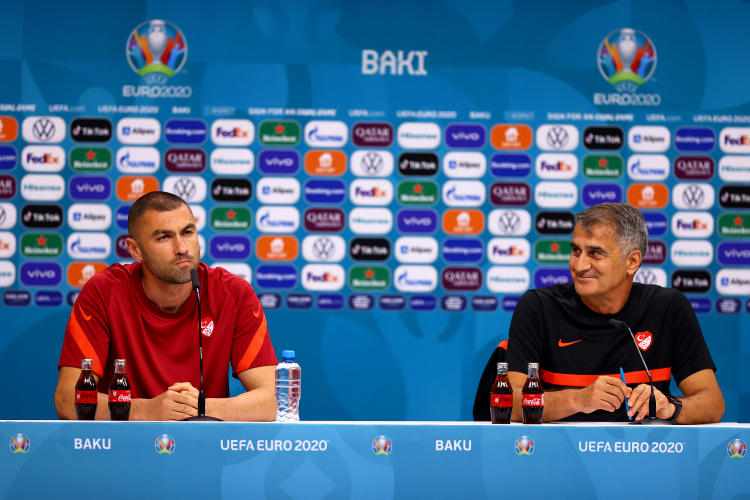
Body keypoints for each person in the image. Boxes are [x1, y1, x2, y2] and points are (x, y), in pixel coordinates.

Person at [54, 191, 277, 421]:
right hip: (125, 442)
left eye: (188, 232)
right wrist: (147, 411)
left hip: (205, 441)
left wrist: (200, 408)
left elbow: (274, 399)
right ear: (135, 249)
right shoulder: (104, 292)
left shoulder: (234, 294)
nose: (182, 247)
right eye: (163, 237)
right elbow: (67, 400)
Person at [506, 202, 724, 423]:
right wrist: (579, 400)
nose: (579, 265)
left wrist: (670, 407)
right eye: (576, 251)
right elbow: (510, 403)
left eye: (595, 253)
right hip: (557, 444)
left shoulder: (668, 308)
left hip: (641, 444)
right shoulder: (538, 307)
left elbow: (712, 403)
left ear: (632, 261)